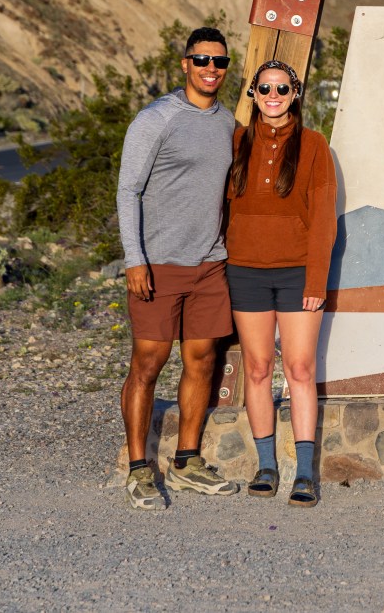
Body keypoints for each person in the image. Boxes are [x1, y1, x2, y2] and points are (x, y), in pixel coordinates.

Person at [117, 26, 241, 510]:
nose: (212, 69)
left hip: (209, 263)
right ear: (185, 64)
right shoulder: (157, 119)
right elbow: (129, 191)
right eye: (202, 60)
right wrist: (135, 259)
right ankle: (138, 469)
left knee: (203, 361)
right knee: (147, 364)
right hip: (157, 263)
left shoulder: (227, 122)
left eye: (220, 62)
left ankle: (187, 461)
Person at [225, 59, 337, 507]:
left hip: (296, 274)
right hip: (245, 271)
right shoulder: (235, 141)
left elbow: (324, 219)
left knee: (300, 369)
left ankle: (305, 473)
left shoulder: (313, 145)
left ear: (296, 95)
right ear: (253, 93)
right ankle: (266, 466)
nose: (274, 96)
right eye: (265, 89)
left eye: (282, 89)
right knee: (256, 369)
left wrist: (316, 279)